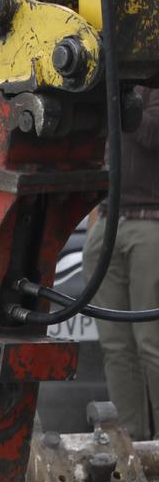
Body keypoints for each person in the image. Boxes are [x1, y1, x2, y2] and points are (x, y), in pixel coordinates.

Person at [83, 83, 159, 437]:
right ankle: (131, 445)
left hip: (151, 220)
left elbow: (153, 135)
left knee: (152, 344)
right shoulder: (118, 81)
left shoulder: (141, 85)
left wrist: (122, 104)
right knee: (115, 346)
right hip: (110, 219)